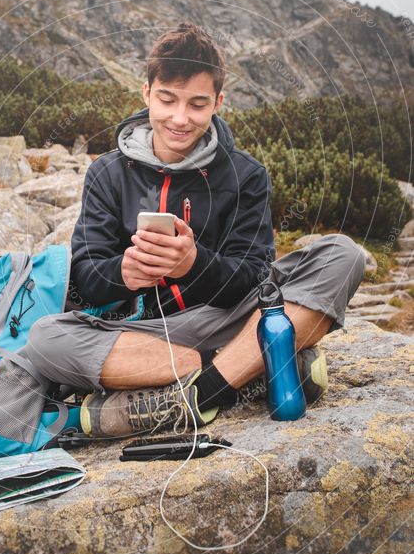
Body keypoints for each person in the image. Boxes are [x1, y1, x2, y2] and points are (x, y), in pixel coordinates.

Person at [25, 23, 366, 437]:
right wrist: (124, 274)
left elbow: (256, 277)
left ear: (218, 102)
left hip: (229, 317)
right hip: (141, 334)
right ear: (147, 92)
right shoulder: (107, 173)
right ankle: (252, 367)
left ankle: (199, 395)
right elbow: (85, 278)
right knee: (44, 338)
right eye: (167, 99)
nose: (180, 118)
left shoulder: (246, 175)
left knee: (342, 255)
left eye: (198, 104)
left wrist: (194, 264)